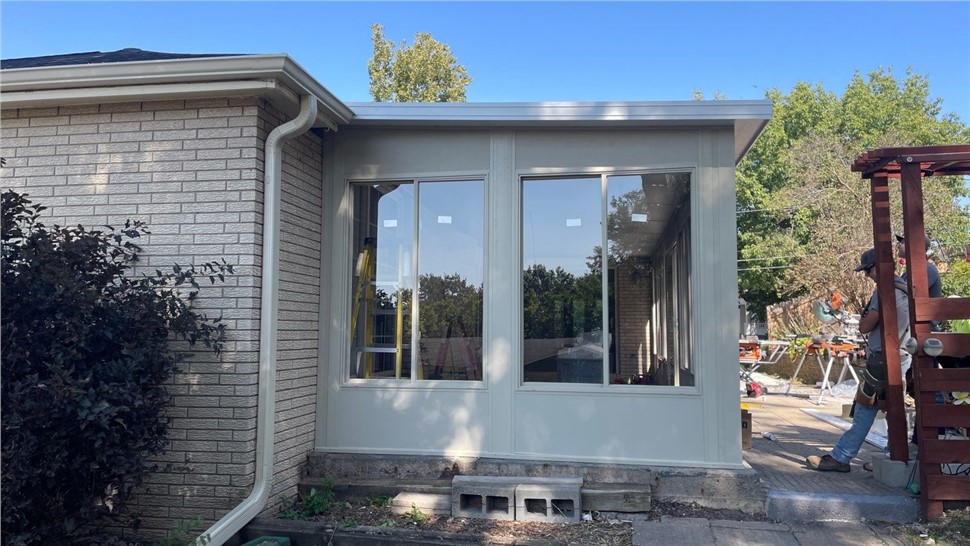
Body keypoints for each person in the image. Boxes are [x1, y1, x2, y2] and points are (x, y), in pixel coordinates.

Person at [806, 248, 911, 472]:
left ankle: (841, 457)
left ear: (879, 267)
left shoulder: (884, 290)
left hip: (882, 360)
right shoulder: (906, 287)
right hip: (901, 357)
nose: (867, 275)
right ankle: (893, 458)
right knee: (895, 411)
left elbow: (865, 326)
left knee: (865, 409)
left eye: (868, 270)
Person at [895, 234, 942, 299]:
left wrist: (894, 279)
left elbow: (912, 293)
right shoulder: (908, 272)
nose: (899, 246)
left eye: (903, 242)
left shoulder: (927, 269)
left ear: (914, 246)